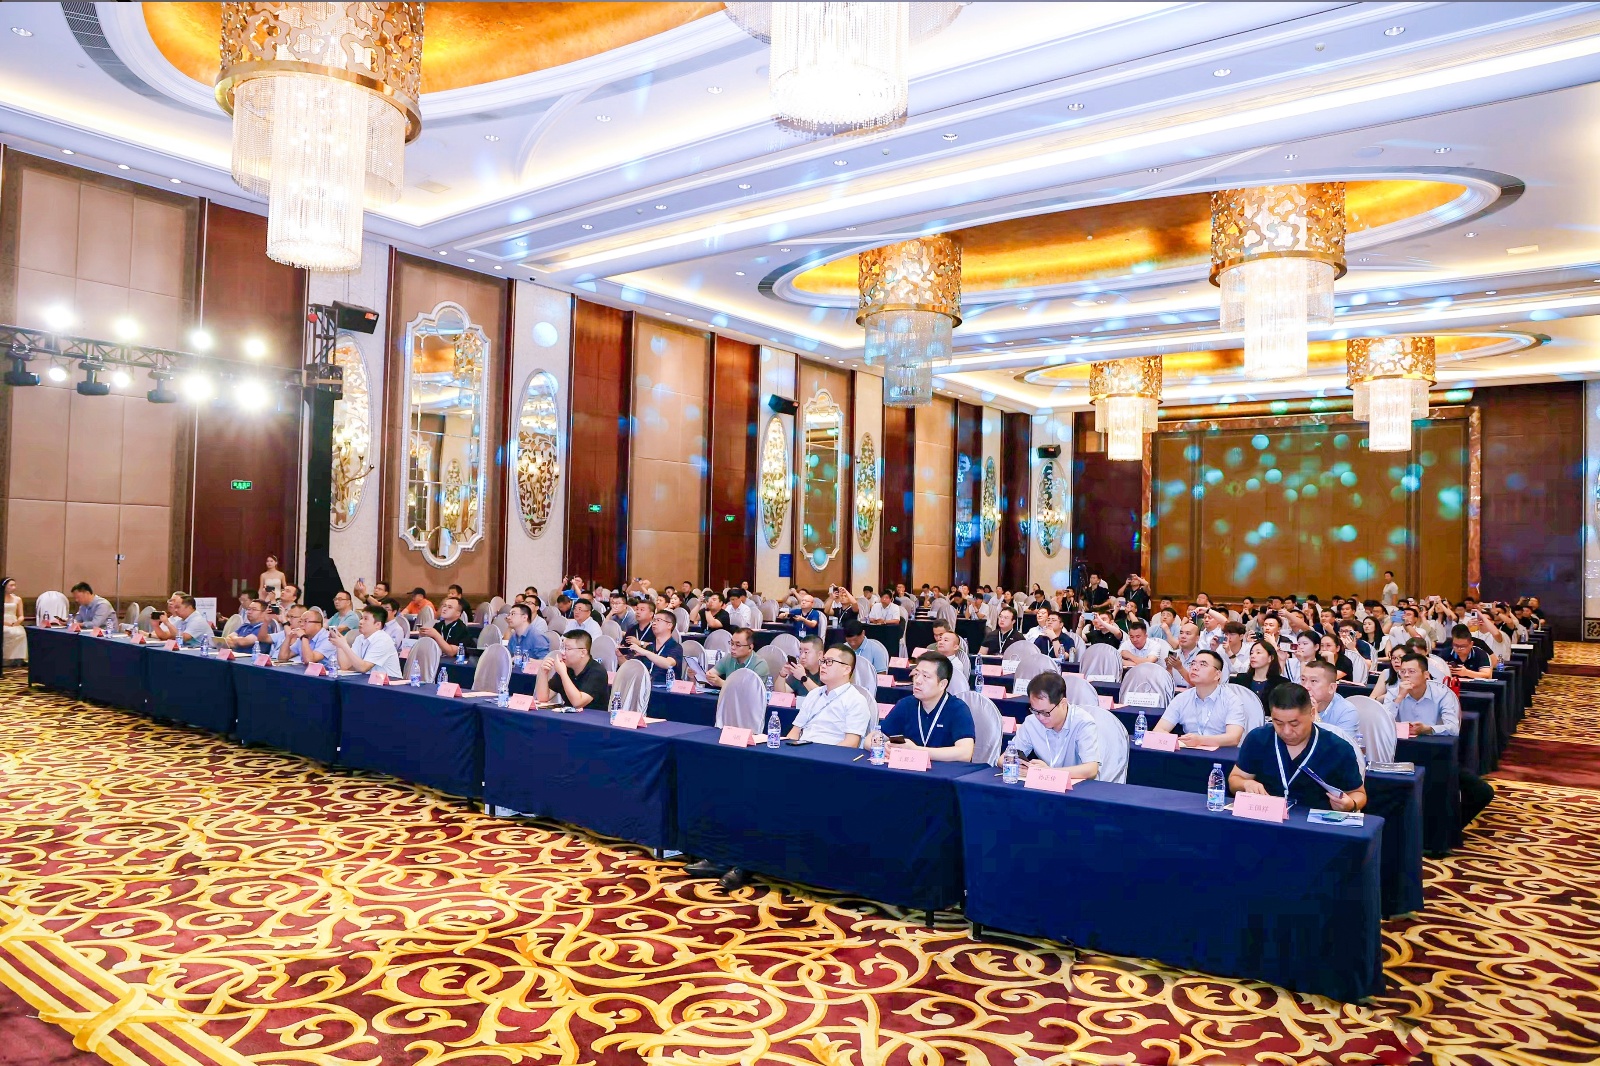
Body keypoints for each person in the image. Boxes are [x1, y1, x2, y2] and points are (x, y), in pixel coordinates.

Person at [1230, 683, 1367, 813]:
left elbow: (1358, 794)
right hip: (1267, 818)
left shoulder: (1338, 748)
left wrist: (1351, 804)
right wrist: (1246, 784)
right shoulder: (1258, 738)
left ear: (1312, 714)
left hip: (1314, 824)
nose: (1286, 731)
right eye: (1278, 723)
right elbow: (1235, 779)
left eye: (1294, 724)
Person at [878, 652, 975, 762]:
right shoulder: (906, 704)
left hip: (945, 771)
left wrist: (916, 751)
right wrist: (884, 747)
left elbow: (965, 753)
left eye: (925, 676)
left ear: (942, 684)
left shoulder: (958, 709)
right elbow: (871, 739)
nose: (917, 681)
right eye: (916, 674)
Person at [1011, 672, 1102, 780]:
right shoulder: (1032, 722)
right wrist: (1022, 768)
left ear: (1063, 703)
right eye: (1035, 711)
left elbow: (1091, 769)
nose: (1040, 718)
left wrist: (1048, 772)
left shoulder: (1083, 723)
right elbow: (1004, 759)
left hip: (1077, 786)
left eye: (1045, 712)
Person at [1152, 650, 1249, 747]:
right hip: (1187, 752)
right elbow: (1158, 730)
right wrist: (1176, 742)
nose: (1194, 667)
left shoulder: (1231, 700)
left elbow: (1233, 738)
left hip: (1220, 753)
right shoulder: (1181, 698)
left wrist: (1200, 741)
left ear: (1217, 675)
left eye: (1203, 664)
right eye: (1192, 664)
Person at [787, 644, 873, 746]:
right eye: (823, 661)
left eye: (829, 662)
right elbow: (795, 731)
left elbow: (851, 743)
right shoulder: (814, 694)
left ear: (846, 669)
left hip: (831, 752)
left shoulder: (856, 700)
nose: (823, 666)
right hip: (801, 750)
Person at [1385, 654, 1459, 736]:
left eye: (1411, 671)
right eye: (1402, 672)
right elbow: (1382, 725)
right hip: (1402, 742)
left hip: (1433, 741)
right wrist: (1398, 698)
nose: (1406, 675)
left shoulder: (1442, 694)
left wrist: (1428, 729)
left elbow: (1454, 729)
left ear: (1426, 674)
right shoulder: (1393, 693)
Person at [534, 630, 611, 709]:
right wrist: (544, 672)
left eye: (567, 649)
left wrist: (563, 673)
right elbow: (543, 698)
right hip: (567, 715)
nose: (563, 653)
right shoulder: (567, 668)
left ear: (583, 653)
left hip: (592, 716)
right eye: (562, 648)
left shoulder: (597, 672)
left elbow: (578, 703)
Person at [327, 605, 402, 677]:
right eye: (361, 618)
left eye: (366, 619)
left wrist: (344, 645)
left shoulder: (383, 640)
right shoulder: (360, 638)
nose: (360, 621)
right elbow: (345, 666)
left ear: (377, 625)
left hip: (389, 683)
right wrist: (339, 645)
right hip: (368, 681)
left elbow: (363, 668)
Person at [1300, 658, 1361, 734]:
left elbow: (1343, 742)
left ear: (1331, 688)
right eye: (1303, 680)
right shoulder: (1296, 703)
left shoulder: (1347, 712)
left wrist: (1315, 717)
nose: (1305, 687)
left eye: (1313, 681)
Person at [628, 611, 684, 684]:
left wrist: (645, 652)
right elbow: (634, 669)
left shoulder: (675, 647)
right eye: (653, 620)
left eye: (658, 620)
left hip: (666, 689)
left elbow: (668, 664)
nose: (654, 623)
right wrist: (620, 657)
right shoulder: (650, 647)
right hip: (647, 686)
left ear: (669, 625)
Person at [1234, 639, 1286, 706]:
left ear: (1270, 658)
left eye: (1258, 653)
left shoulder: (1281, 683)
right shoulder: (1241, 679)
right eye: (1251, 653)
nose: (1253, 656)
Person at [2, 577, 26, 664]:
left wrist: (17, 622)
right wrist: (5, 623)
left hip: (14, 622)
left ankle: (17, 658)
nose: (14, 587)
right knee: (8, 632)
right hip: (4, 622)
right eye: (11, 585)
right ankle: (5, 658)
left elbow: (21, 615)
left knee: (20, 633)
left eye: (14, 585)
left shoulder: (17, 599)